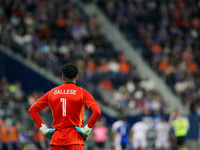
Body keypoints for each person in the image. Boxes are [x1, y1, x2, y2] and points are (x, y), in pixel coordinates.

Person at [28, 63, 101, 150]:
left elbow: (32, 110)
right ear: (77, 77)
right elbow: (97, 111)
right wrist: (87, 129)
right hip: (75, 140)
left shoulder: (52, 93)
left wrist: (43, 129)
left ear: (63, 77)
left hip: (56, 141)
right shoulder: (82, 93)